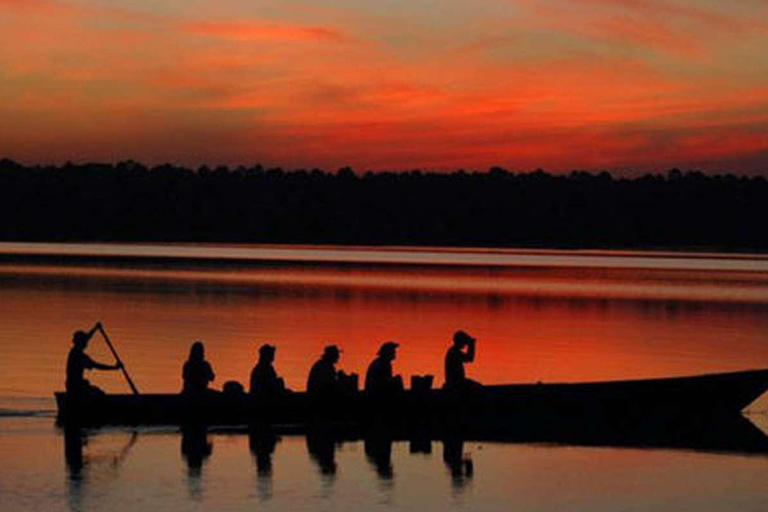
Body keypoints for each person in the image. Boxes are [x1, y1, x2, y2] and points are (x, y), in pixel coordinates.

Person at [66, 322, 121, 397]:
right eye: (84, 342)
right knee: (99, 394)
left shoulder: (73, 352)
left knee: (96, 391)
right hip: (76, 388)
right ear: (81, 342)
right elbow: (96, 365)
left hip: (72, 386)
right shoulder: (79, 356)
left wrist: (95, 328)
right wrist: (114, 368)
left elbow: (87, 337)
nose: (87, 343)